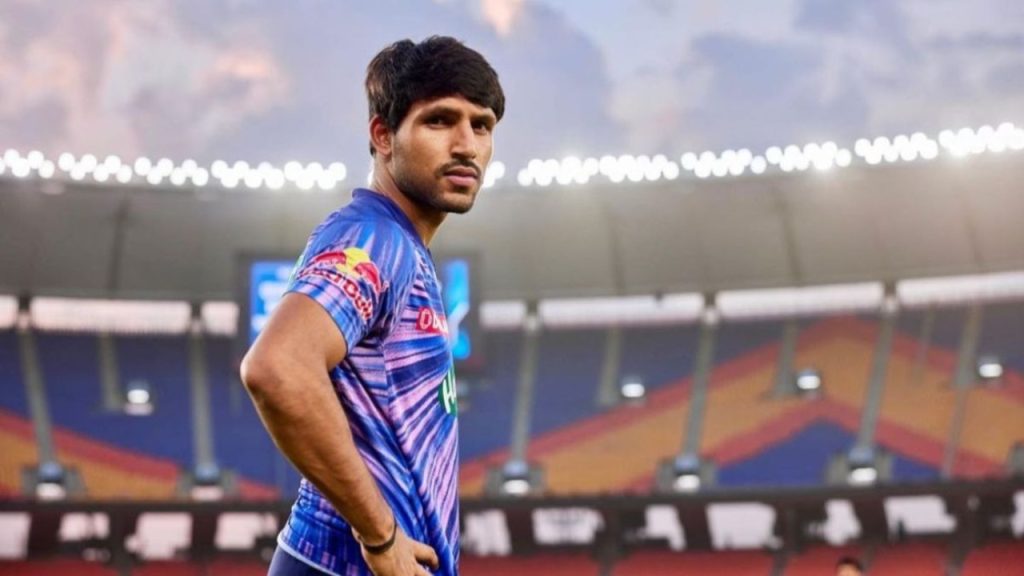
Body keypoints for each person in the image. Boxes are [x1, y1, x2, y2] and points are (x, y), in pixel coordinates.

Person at [241, 36, 504, 576]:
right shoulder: (374, 239)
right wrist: (381, 537)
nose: (466, 145)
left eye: (482, 125)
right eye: (439, 120)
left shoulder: (403, 246)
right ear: (383, 135)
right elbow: (277, 368)